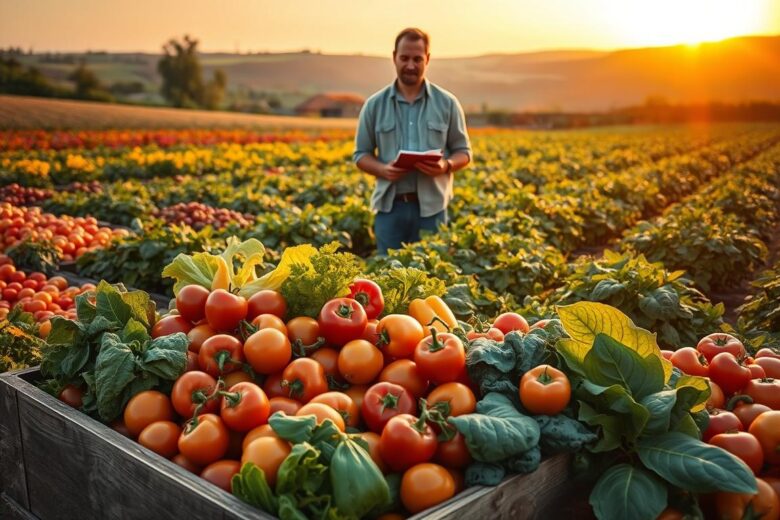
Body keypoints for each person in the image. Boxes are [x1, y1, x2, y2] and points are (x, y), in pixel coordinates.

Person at [353, 27, 472, 255]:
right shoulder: (374, 105)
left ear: (427, 59)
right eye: (404, 58)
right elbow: (361, 154)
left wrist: (445, 166)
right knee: (388, 278)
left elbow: (464, 152)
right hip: (390, 209)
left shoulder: (447, 103)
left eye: (417, 59)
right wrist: (382, 169)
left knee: (431, 277)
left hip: (432, 210)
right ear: (394, 57)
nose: (410, 65)